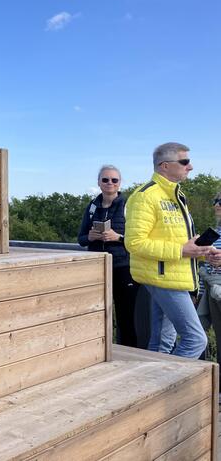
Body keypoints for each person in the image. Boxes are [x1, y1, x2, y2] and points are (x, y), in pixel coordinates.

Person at [125, 142, 221, 357]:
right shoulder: (144, 196)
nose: (190, 166)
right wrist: (181, 250)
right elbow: (134, 243)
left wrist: (203, 252)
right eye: (184, 161)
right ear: (165, 166)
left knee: (162, 342)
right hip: (164, 278)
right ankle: (172, 387)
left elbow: (176, 239)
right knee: (196, 340)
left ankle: (153, 383)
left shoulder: (175, 195)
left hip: (174, 275)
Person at [77, 165, 142, 348]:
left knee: (125, 317)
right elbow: (81, 239)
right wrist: (89, 237)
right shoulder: (92, 207)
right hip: (97, 268)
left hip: (123, 268)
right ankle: (98, 351)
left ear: (120, 183)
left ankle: (129, 354)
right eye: (105, 179)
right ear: (99, 182)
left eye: (114, 180)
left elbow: (139, 240)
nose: (109, 183)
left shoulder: (129, 207)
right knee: (97, 314)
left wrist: (118, 237)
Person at [196, 192, 221, 362]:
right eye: (216, 201)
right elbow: (204, 266)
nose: (217, 205)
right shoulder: (215, 232)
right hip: (213, 292)